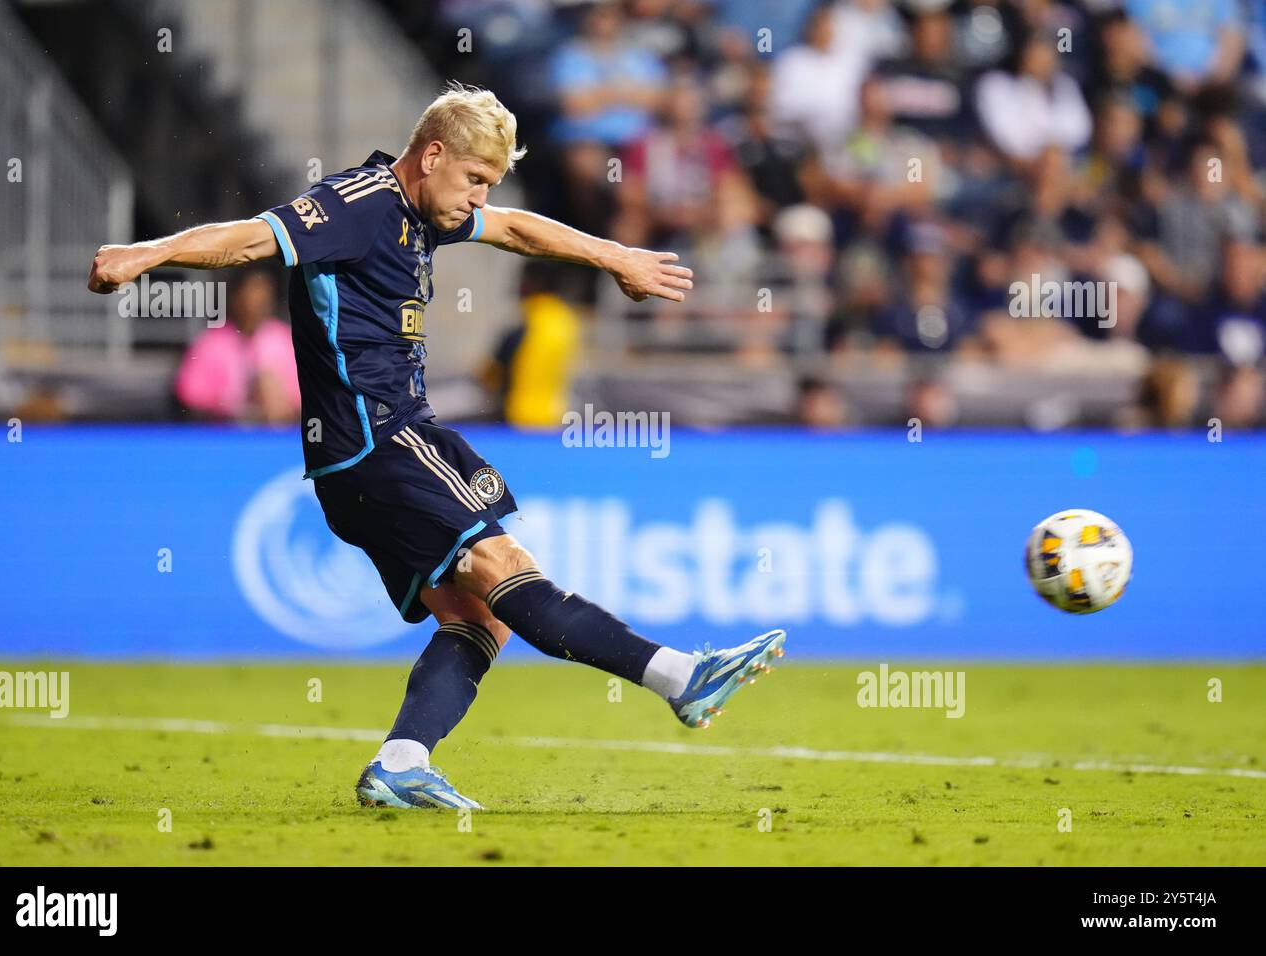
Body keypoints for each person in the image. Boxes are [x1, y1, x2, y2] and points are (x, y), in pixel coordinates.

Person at [87, 83, 785, 811]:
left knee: (479, 617)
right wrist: (145, 253)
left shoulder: (423, 213)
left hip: (382, 448)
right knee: (505, 567)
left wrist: (615, 258)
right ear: (433, 154)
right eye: (473, 179)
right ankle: (679, 676)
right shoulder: (356, 205)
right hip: (378, 440)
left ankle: (401, 762)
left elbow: (514, 228)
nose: (478, 197)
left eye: (489, 182)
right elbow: (254, 237)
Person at [175, 270, 300, 423]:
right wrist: (237, 409)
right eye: (249, 295)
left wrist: (276, 400)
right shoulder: (210, 343)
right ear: (235, 298)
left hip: (283, 438)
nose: (255, 304)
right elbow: (190, 397)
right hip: (227, 438)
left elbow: (307, 399)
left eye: (262, 296)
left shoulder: (288, 340)